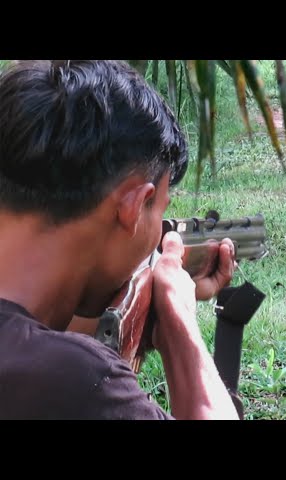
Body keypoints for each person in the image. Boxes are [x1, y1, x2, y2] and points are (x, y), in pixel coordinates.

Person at [0, 60, 239, 420]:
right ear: (134, 205)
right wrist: (177, 315)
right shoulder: (74, 378)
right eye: (160, 211)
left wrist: (141, 311)